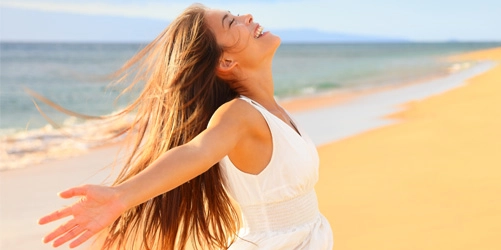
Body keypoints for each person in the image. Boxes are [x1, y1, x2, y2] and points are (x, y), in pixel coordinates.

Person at [37, 3, 333, 249]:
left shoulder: (273, 110)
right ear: (226, 60)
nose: (248, 17)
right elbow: (197, 151)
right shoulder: (239, 115)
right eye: (233, 23)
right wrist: (122, 195)